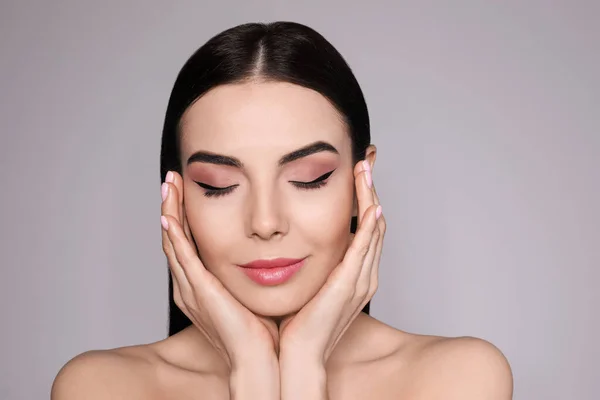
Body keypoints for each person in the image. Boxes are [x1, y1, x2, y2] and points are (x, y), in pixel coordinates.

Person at [51, 21, 513, 399]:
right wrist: (251, 367)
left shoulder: (457, 379)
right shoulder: (102, 386)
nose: (266, 223)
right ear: (177, 198)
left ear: (361, 183)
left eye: (309, 178)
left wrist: (305, 361)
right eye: (218, 186)